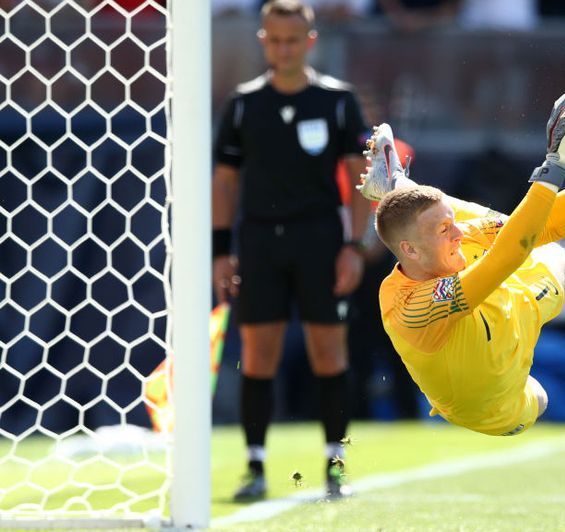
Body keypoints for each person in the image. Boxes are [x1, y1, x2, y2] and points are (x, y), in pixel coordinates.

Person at [357, 89, 565, 436]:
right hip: (486, 408)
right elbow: (512, 251)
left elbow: (539, 227)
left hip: (508, 316)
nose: (459, 232)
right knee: (538, 256)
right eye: (446, 229)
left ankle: (398, 187)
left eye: (452, 223)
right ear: (410, 251)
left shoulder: (453, 239)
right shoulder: (410, 305)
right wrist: (554, 166)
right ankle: (398, 187)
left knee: (546, 249)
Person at [211, 0, 370, 500]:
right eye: (275, 40)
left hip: (320, 239)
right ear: (263, 41)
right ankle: (255, 467)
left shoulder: (339, 101)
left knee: (330, 350)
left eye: (293, 39)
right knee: (258, 355)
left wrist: (354, 246)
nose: (284, 48)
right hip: (259, 240)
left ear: (310, 41)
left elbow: (358, 177)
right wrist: (221, 249)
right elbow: (224, 181)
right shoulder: (242, 103)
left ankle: (335, 465)